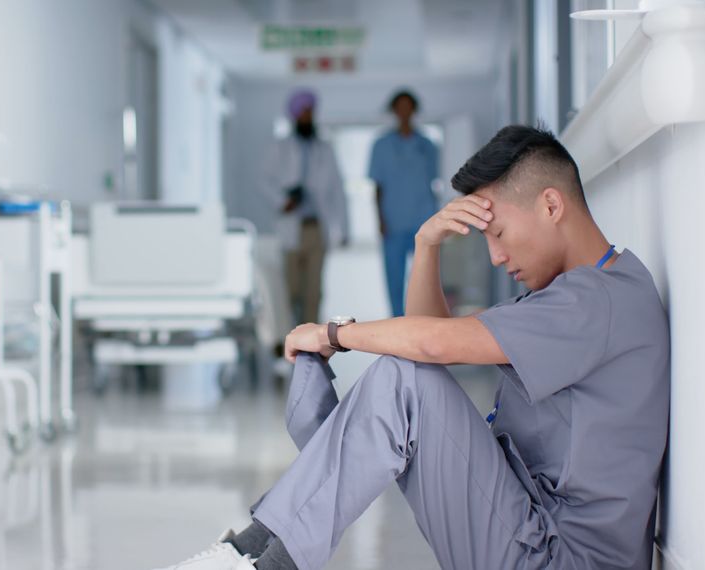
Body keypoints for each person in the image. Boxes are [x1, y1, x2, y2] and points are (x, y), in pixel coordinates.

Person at [154, 125, 670, 570]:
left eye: (500, 234)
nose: (494, 257)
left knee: (406, 379)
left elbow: (430, 342)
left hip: (558, 555)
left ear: (551, 204)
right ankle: (253, 553)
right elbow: (429, 344)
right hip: (531, 527)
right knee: (404, 379)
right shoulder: (576, 292)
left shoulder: (595, 300)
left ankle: (259, 559)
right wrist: (426, 245)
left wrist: (335, 334)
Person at [263, 89, 349, 327]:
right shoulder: (280, 148)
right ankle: (290, 335)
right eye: (304, 112)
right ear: (294, 115)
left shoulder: (325, 149)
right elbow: (265, 182)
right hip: (291, 226)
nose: (309, 117)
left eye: (311, 112)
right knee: (291, 289)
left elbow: (337, 190)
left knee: (314, 291)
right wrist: (283, 200)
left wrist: (342, 228)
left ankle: (311, 341)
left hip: (316, 227)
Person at [369, 90, 439, 316]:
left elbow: (436, 181)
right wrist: (380, 219)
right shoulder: (381, 145)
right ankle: (398, 321)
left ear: (414, 109)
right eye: (400, 106)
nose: (404, 111)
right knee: (394, 277)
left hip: (423, 217)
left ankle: (423, 318)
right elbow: (377, 186)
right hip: (393, 220)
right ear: (394, 110)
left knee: (424, 275)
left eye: (408, 106)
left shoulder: (427, 145)